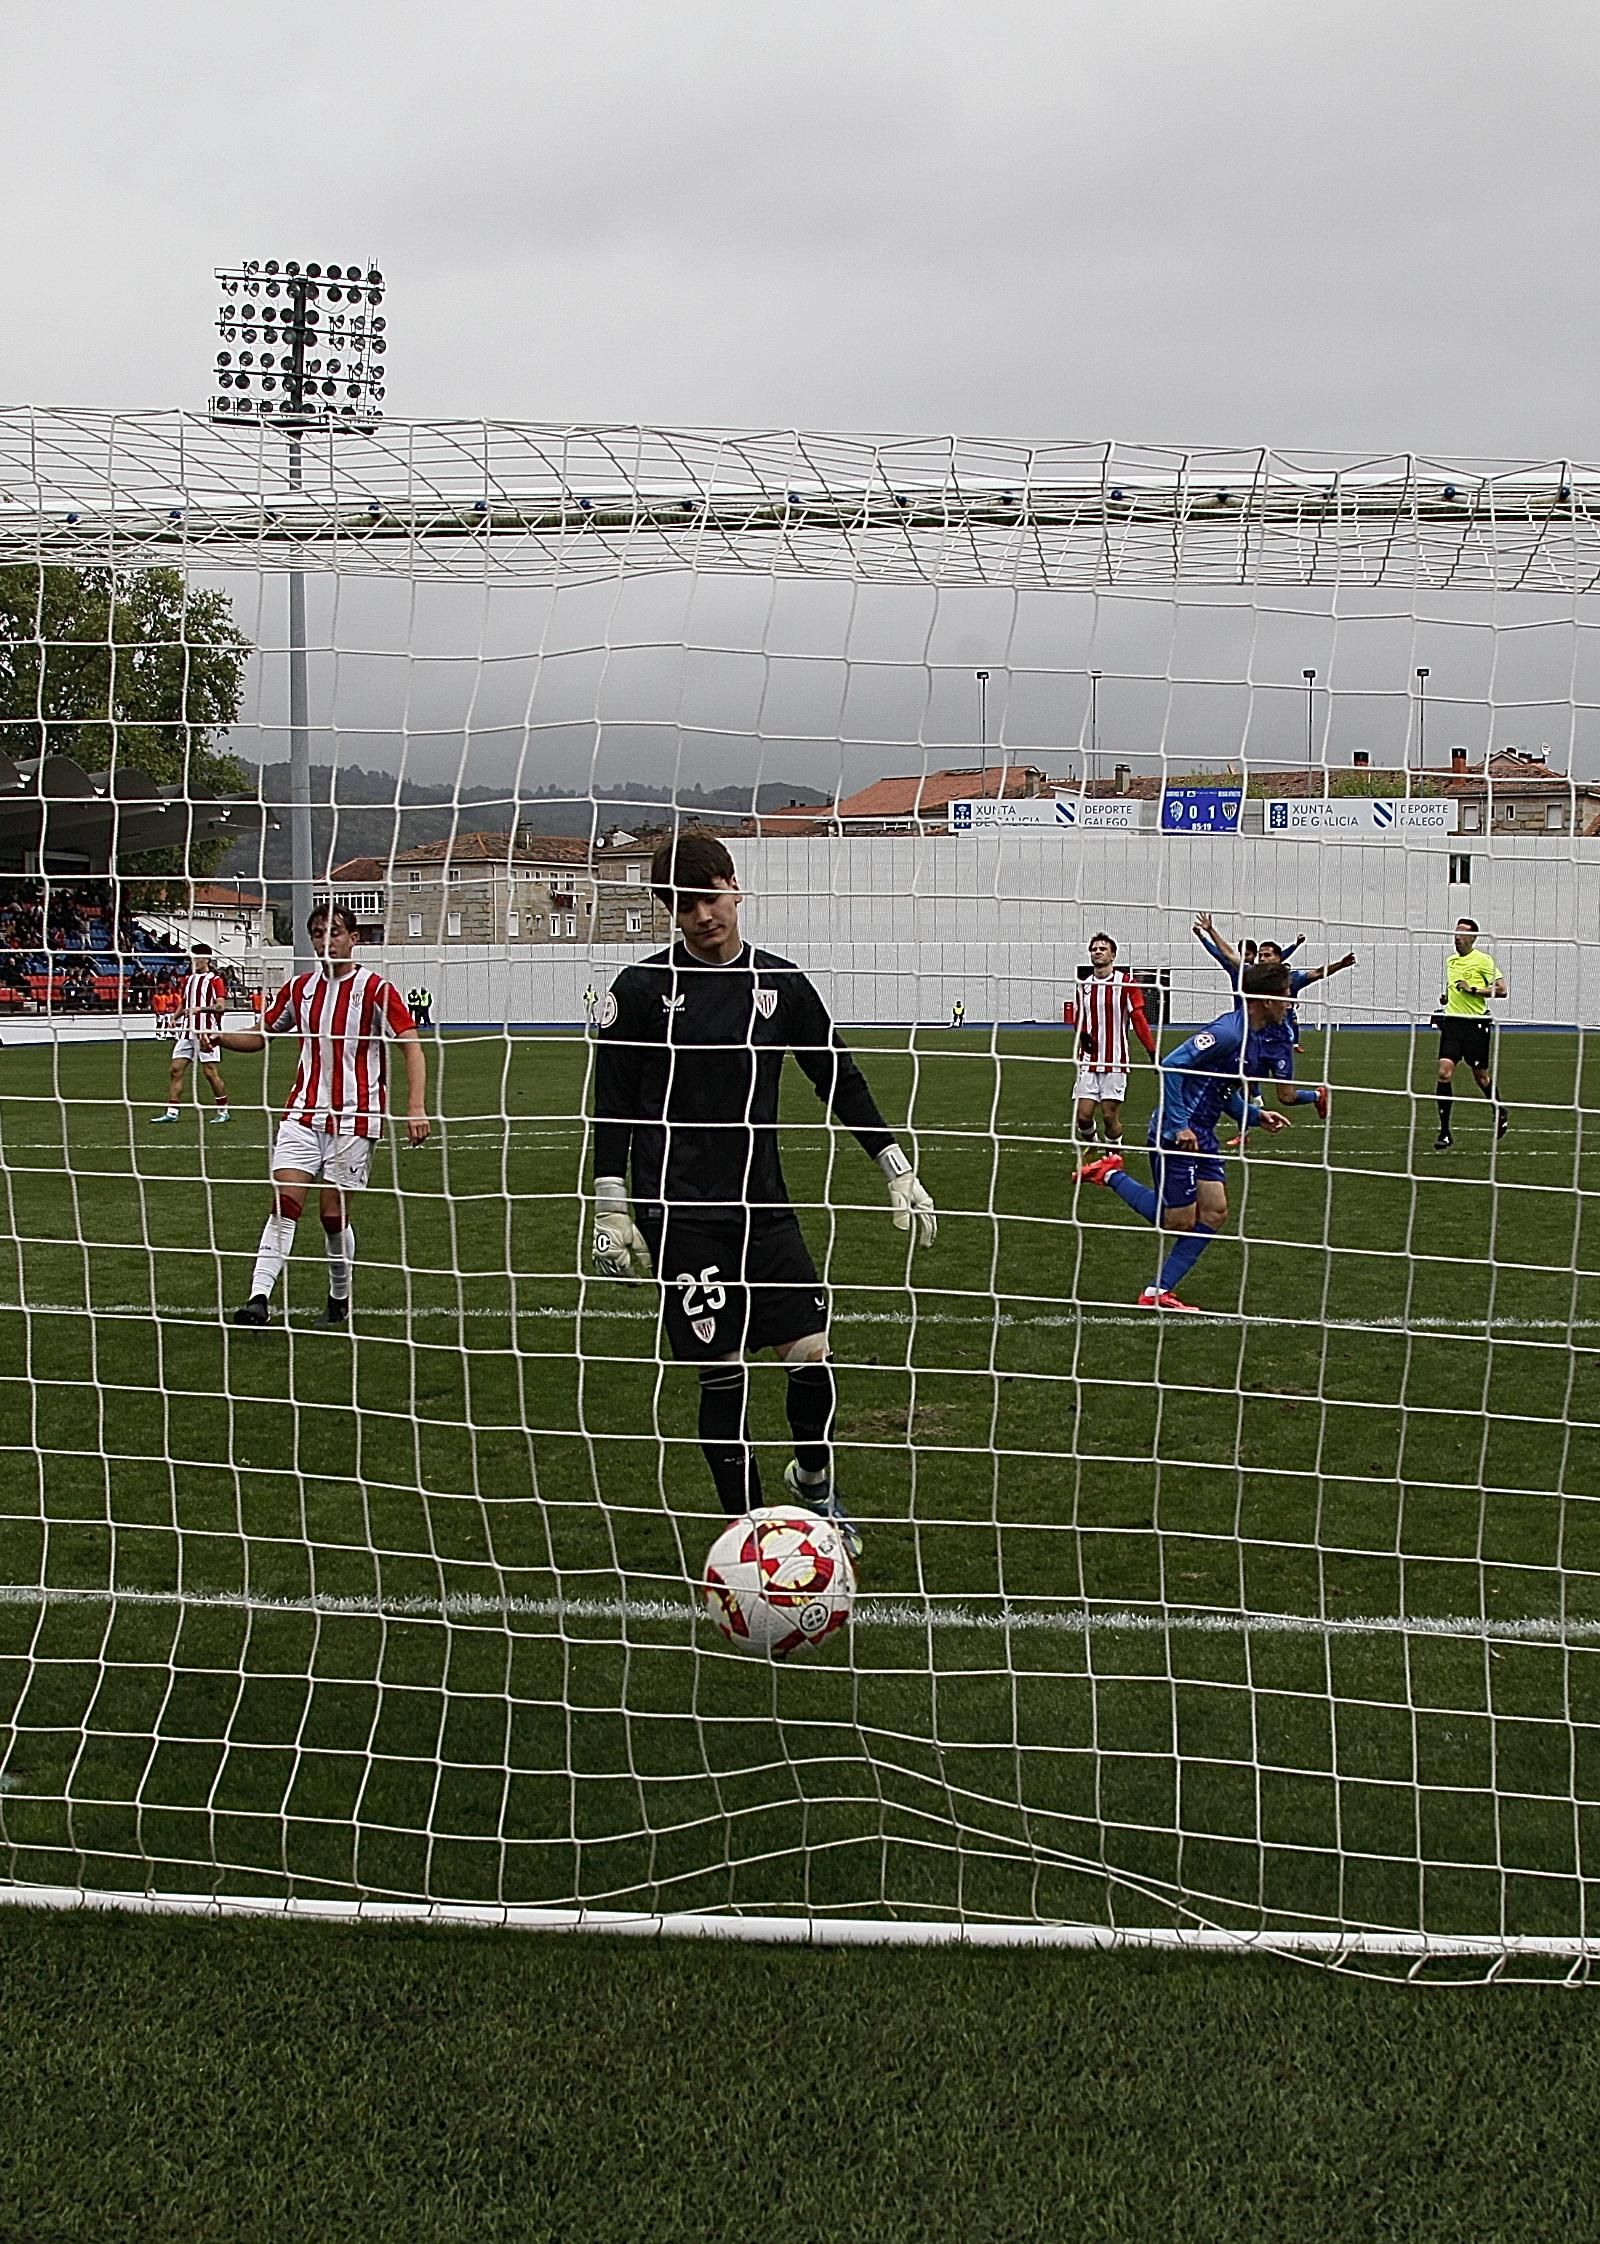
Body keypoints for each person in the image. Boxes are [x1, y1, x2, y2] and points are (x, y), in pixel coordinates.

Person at [590, 832, 937, 1556]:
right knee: (722, 1378)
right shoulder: (642, 991)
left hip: (765, 1207)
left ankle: (813, 1480)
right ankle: (756, 1536)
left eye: (709, 898)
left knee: (812, 1356)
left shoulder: (781, 985)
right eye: (683, 907)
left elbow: (836, 1074)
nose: (701, 917)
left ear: (735, 887)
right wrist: (612, 1203)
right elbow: (612, 1103)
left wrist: (895, 1166)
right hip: (681, 1214)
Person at [222, 905, 430, 1328]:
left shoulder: (374, 989)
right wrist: (217, 1035)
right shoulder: (300, 990)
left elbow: (411, 1046)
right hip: (302, 1114)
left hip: (356, 1119)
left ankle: (339, 1298)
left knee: (333, 1217)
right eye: (318, 933)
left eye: (334, 932)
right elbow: (262, 1036)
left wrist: (415, 1106)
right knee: (284, 1204)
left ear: (354, 938)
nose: (325, 941)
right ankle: (258, 1297)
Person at [1075, 961, 1294, 1309]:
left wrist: (1254, 1115)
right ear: (1265, 1000)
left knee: (1215, 1212)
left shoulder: (1251, 1038)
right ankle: (1110, 1174)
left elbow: (1219, 1091)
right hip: (1175, 1133)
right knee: (1178, 1221)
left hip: (1202, 1134)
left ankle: (1157, 1292)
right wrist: (1179, 1124)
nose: (1290, 1003)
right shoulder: (1228, 1032)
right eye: (1285, 997)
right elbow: (1172, 1065)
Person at [1192, 915, 1355, 1122]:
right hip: (1253, 1038)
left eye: (1267, 955)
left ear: (1279, 958)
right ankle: (1245, 1129)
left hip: (1278, 1043)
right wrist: (1210, 931)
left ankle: (1317, 1095)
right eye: (1260, 955)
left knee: (1287, 1098)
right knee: (1239, 1083)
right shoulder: (1251, 974)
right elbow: (1229, 954)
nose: (1261, 959)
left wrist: (1340, 964)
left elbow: (1316, 974)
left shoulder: (1291, 979)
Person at [1067, 932, 1157, 1146]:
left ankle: (1113, 1155)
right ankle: (1093, 1145)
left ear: (1113, 955)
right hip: (1089, 1060)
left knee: (1109, 1117)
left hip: (1116, 1060)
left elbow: (1138, 1018)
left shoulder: (1126, 983)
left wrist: (1152, 1051)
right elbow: (1079, 1017)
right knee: (1083, 1117)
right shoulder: (1084, 985)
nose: (1097, 952)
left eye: (1103, 949)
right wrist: (1082, 1035)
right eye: (1094, 949)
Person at [1434, 917, 1508, 1149]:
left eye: (1462, 934)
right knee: (1444, 1074)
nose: (1457, 938)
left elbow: (1502, 990)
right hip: (1453, 1024)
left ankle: (1499, 1110)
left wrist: (1473, 990)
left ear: (1473, 938)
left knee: (1481, 1077)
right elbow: (1453, 988)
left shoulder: (1484, 961)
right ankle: (1445, 1132)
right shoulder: (1450, 962)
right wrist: (1446, 999)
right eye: (1455, 934)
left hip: (1476, 1025)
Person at [151, 943, 231, 1126]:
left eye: (198, 957)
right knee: (175, 1069)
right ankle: (172, 1112)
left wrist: (200, 1009)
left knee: (210, 1072)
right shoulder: (188, 980)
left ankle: (223, 1110)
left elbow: (220, 1006)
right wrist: (175, 1017)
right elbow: (185, 1002)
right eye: (192, 957)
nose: (194, 961)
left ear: (207, 959)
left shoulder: (215, 980)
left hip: (206, 1032)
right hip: (187, 1032)